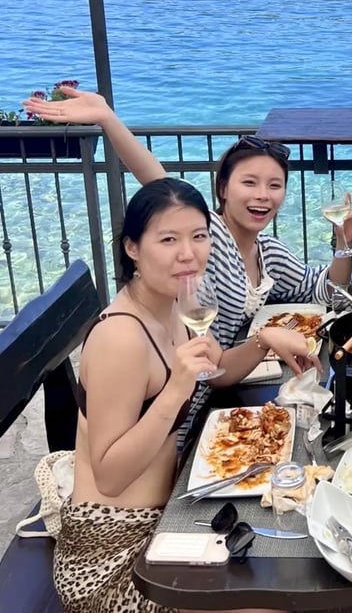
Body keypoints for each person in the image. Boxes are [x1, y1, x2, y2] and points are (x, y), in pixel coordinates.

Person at [53, 178, 286, 613]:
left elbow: (217, 372)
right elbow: (110, 475)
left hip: (170, 516)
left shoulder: (177, 304)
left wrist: (266, 340)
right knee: (269, 600)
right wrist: (176, 388)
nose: (188, 253)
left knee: (281, 553)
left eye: (199, 236)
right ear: (133, 249)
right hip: (112, 557)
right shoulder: (120, 337)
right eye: (168, 239)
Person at [23, 86, 352, 378]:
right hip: (195, 380)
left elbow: (326, 290)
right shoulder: (207, 235)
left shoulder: (270, 253)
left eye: (274, 185)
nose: (263, 195)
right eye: (249, 182)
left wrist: (343, 242)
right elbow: (158, 181)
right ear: (222, 189)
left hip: (230, 367)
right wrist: (108, 119)